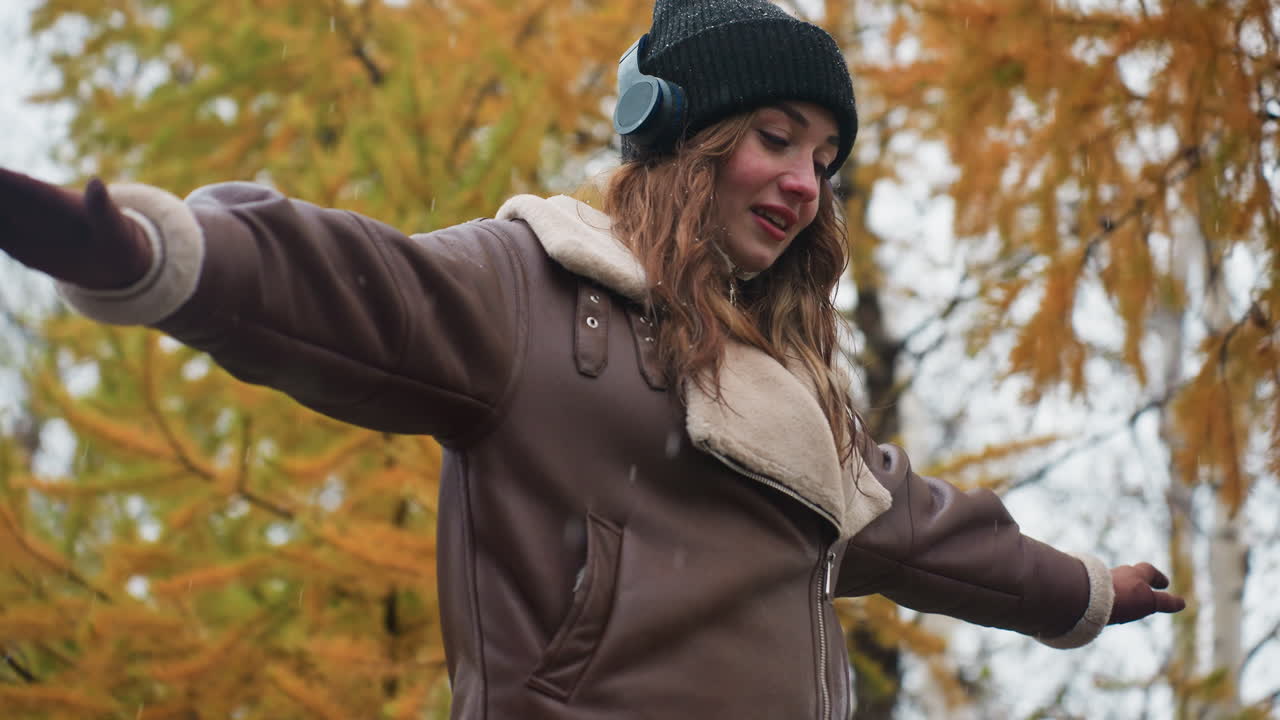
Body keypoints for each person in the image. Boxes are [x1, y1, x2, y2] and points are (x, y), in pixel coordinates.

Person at [0, 0, 1184, 717]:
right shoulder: (534, 290)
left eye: (823, 158)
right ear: (684, 138)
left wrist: (1081, 590)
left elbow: (930, 535)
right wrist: (158, 249)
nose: (801, 181)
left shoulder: (801, 400)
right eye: (774, 138)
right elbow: (350, 285)